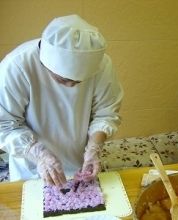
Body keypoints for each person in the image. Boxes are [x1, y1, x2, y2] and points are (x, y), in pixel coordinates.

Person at [0, 15, 123, 186]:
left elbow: (106, 113)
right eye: (63, 79)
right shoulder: (16, 66)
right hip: (31, 167)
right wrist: (40, 155)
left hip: (80, 162)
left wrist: (94, 148)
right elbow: (4, 126)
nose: (71, 85)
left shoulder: (102, 65)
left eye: (79, 81)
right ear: (46, 62)